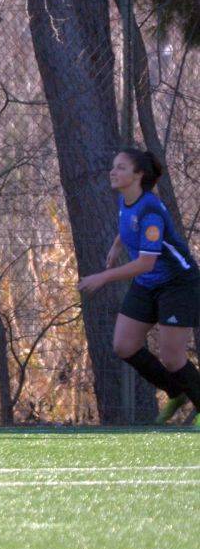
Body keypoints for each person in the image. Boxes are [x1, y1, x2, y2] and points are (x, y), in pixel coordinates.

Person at [77, 148, 200, 423]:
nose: (113, 172)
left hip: (178, 285)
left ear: (138, 175)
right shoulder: (127, 200)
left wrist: (103, 276)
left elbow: (146, 263)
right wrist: (116, 246)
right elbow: (127, 226)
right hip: (147, 284)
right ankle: (175, 391)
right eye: (113, 166)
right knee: (124, 345)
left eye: (121, 168)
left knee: (172, 358)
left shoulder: (151, 211)